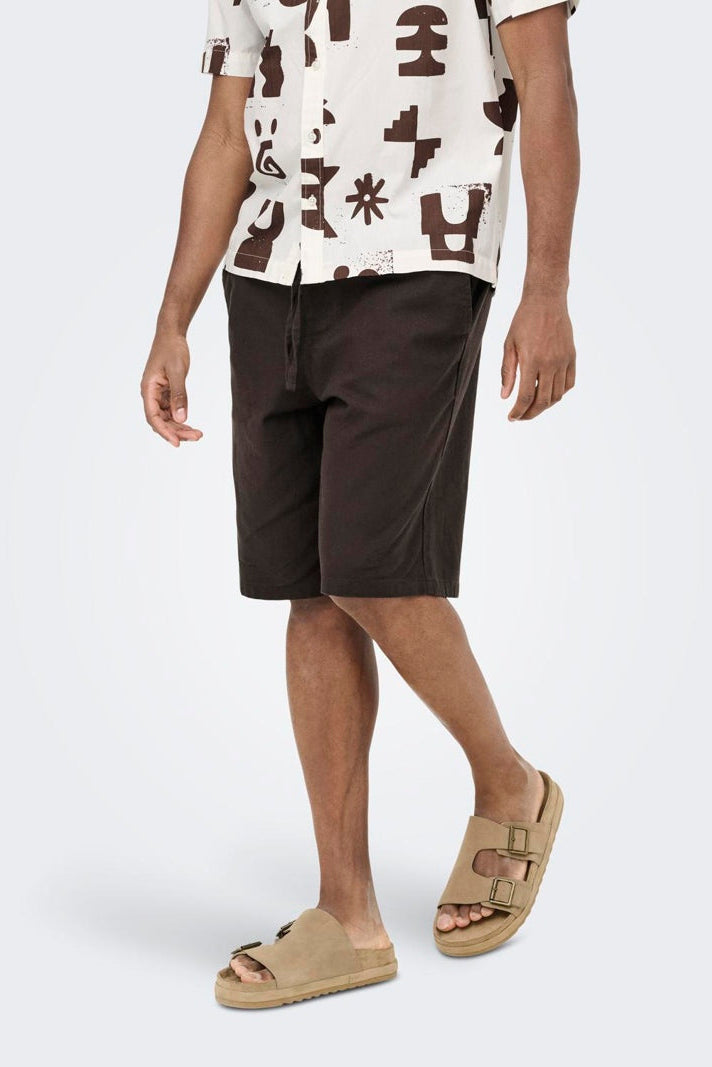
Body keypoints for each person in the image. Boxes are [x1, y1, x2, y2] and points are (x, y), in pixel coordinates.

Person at [141, 0, 580, 1009]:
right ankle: (349, 916)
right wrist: (172, 318)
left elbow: (548, 86)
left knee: (374, 568)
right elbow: (224, 129)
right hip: (269, 273)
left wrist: (547, 288)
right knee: (310, 589)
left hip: (417, 256)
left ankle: (509, 782)